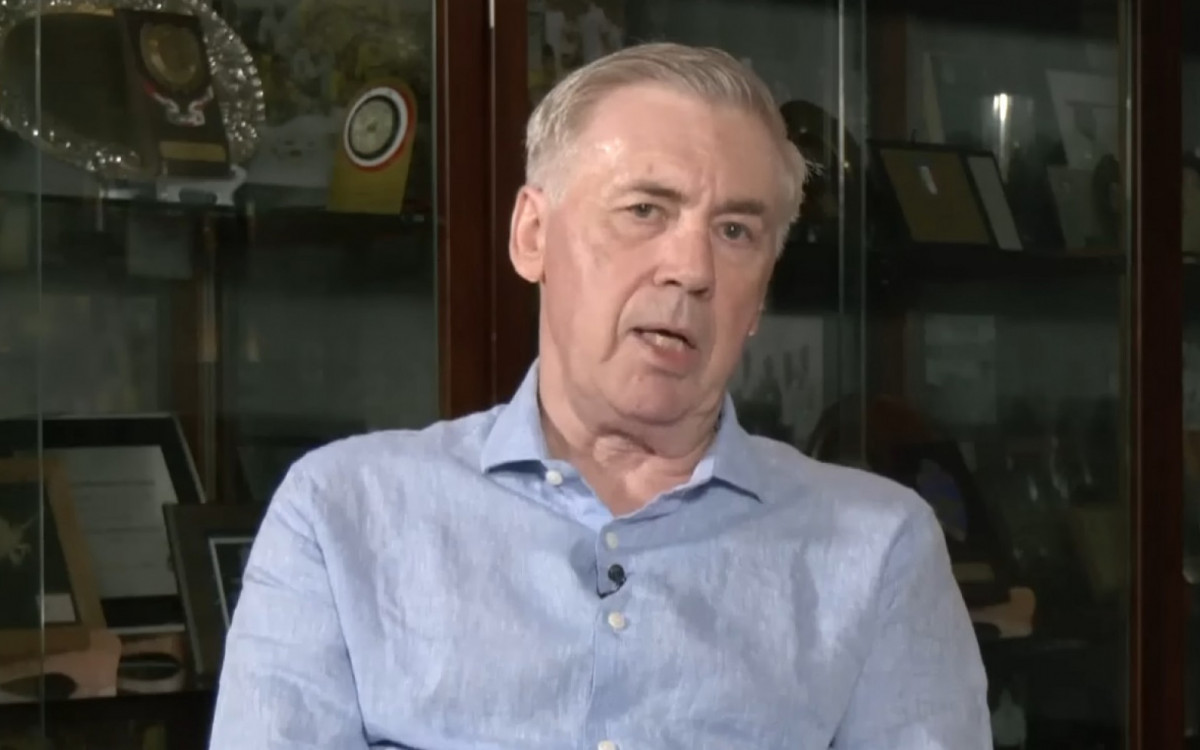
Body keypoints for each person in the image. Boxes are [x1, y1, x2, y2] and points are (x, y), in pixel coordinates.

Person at [207, 42, 990, 749]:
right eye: (645, 209)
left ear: (758, 297)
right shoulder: (342, 515)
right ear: (532, 235)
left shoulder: (877, 548)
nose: (692, 269)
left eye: (736, 232)